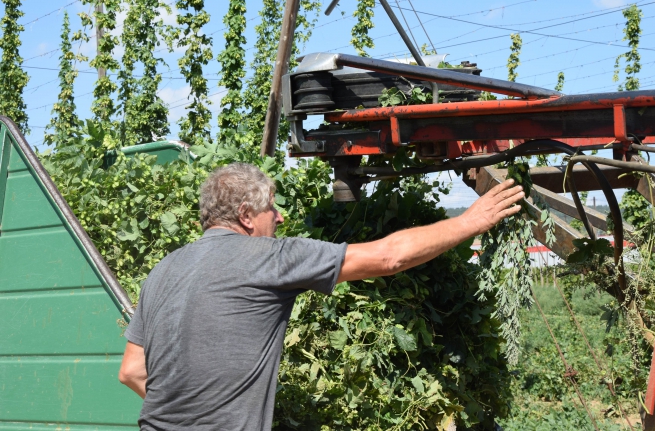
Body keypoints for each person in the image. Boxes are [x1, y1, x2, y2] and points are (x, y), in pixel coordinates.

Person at [119, 162, 524, 430]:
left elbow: (132, 372)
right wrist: (472, 221)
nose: (279, 217)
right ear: (245, 216)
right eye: (271, 210)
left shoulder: (161, 272)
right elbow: (389, 256)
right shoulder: (268, 256)